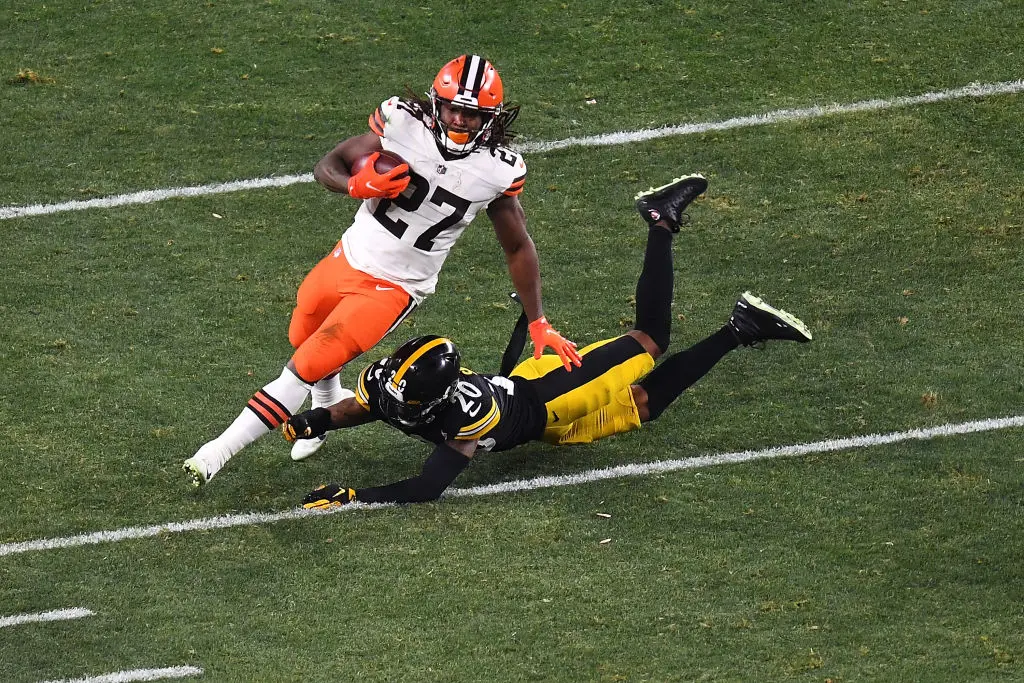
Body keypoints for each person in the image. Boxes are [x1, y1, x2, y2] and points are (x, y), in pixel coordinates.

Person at [283, 174, 814, 509]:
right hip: (538, 420)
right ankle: (741, 327)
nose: (387, 399)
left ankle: (660, 220)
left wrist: (357, 496)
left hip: (553, 397)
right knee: (644, 406)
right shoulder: (392, 385)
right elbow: (368, 406)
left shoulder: (465, 418)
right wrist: (317, 419)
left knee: (650, 340)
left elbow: (427, 487)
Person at [183, 54, 581, 486]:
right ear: (435, 104)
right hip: (350, 255)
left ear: (489, 117)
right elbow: (327, 166)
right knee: (302, 333)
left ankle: (215, 453)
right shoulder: (401, 122)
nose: (460, 121)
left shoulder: (498, 169)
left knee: (305, 363)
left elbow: (518, 245)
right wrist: (354, 185)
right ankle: (327, 405)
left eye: (471, 114)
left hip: (396, 285)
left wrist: (538, 319)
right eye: (453, 109)